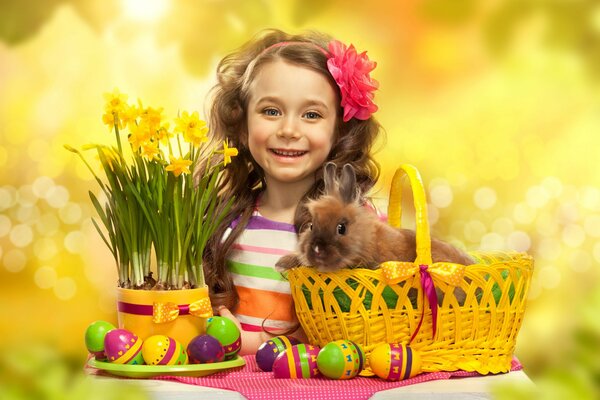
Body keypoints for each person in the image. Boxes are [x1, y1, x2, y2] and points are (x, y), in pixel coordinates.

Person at [200, 29, 382, 355]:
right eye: (271, 111)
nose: (288, 130)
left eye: (311, 115)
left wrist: (257, 344)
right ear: (242, 126)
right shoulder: (225, 223)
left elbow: (360, 326)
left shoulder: (352, 227)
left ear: (339, 131)